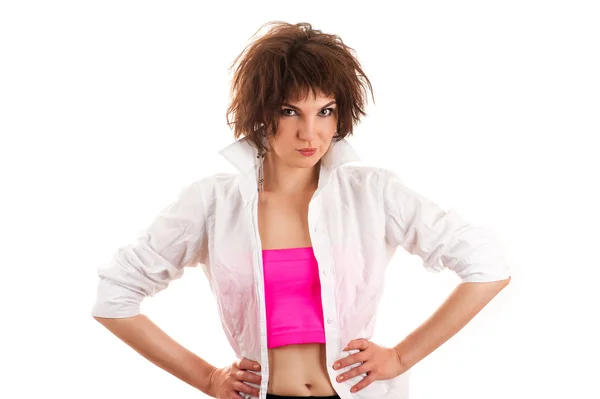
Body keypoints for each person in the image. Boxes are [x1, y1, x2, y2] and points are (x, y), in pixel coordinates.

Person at [91, 21, 511, 399]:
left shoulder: (373, 193)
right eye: (289, 111)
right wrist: (207, 379)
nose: (310, 132)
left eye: (324, 111)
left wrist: (400, 358)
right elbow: (115, 296)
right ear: (260, 113)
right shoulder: (212, 203)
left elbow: (487, 265)